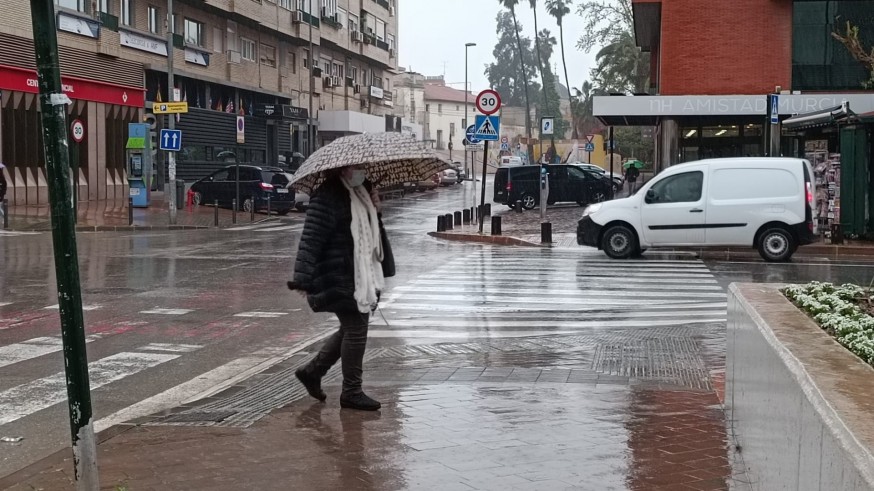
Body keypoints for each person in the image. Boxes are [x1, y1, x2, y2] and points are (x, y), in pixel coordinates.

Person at [288, 164, 393, 411]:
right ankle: (351, 392)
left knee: (350, 328)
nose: (362, 171)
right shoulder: (327, 196)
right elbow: (311, 239)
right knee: (356, 328)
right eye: (357, 168)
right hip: (338, 274)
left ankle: (312, 372)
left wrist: (376, 210)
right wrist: (302, 279)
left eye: (363, 168)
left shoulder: (362, 191)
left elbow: (372, 233)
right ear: (342, 169)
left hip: (361, 273)